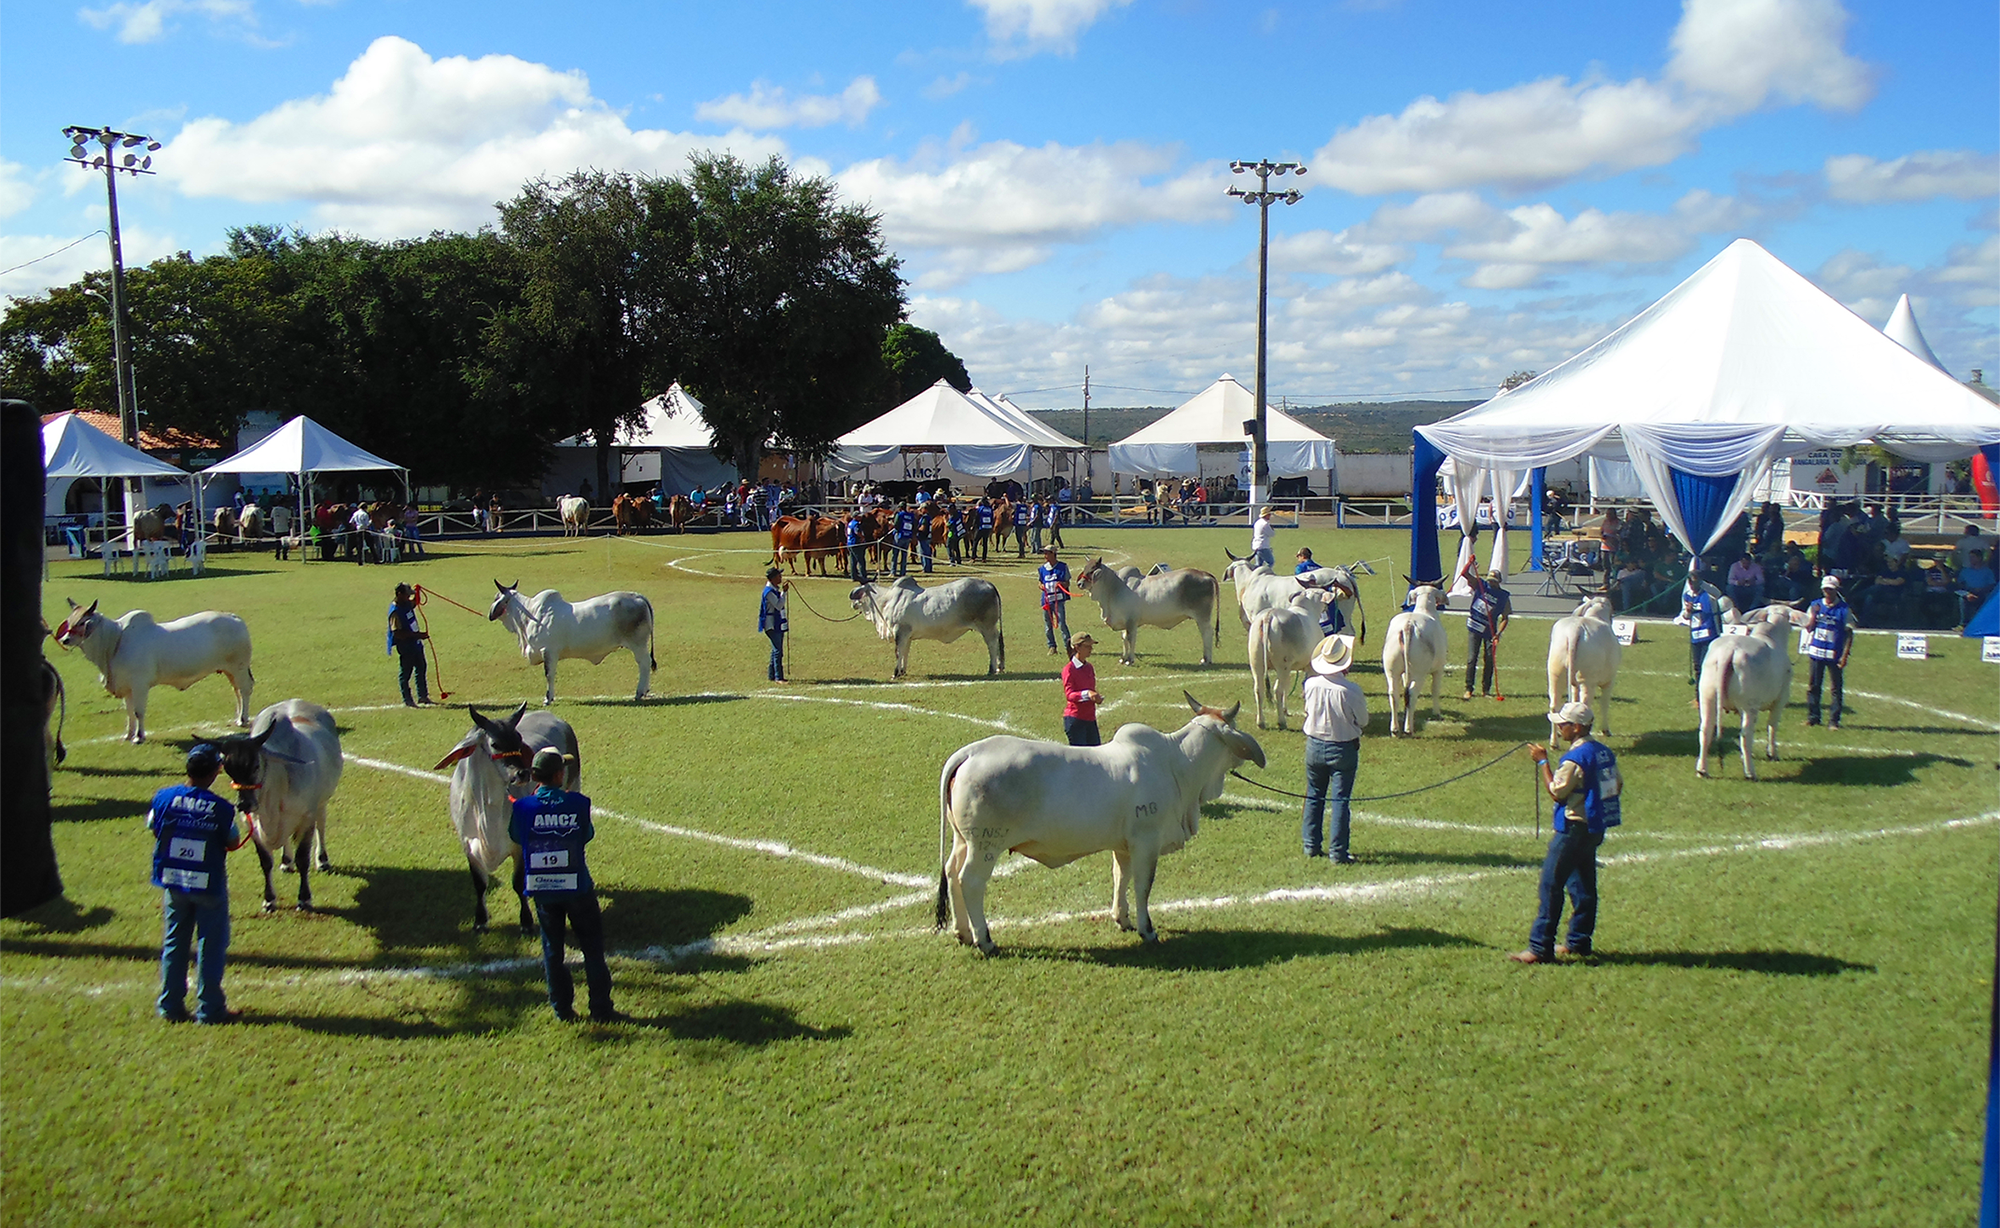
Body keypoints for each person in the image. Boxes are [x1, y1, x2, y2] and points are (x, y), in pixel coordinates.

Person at [510, 748, 616, 1023]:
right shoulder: (579, 803)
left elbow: (516, 835)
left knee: (552, 950)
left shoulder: (522, 807)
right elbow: (586, 834)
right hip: (577, 887)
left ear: (535, 776)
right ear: (559, 775)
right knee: (592, 948)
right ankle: (601, 1008)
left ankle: (562, 1009)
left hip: (543, 889)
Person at [1512, 701, 1622, 965]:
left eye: (1563, 724)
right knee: (1583, 885)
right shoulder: (1604, 752)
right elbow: (1617, 785)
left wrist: (1543, 762)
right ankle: (1579, 941)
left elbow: (1557, 792)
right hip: (1594, 827)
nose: (1559, 728)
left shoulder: (1575, 759)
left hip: (1573, 828)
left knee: (1551, 885)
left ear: (1577, 727)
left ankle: (1540, 947)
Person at [150, 744, 252, 1023]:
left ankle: (170, 1005)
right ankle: (210, 1008)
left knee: (174, 940)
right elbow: (233, 841)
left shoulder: (163, 797)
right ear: (216, 771)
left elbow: (154, 827)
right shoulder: (221, 808)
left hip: (173, 879)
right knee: (211, 943)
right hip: (207, 883)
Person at [1300, 634, 1366, 864]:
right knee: (1340, 800)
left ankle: (1311, 845)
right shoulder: (1351, 690)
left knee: (1314, 794)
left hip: (1314, 745)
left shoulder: (1310, 684)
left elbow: (1308, 710)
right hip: (1343, 747)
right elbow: (1363, 720)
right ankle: (1338, 852)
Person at [1803, 575, 1856, 728]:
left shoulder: (1844, 609)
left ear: (1836, 590)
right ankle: (1813, 717)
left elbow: (1849, 633)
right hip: (1816, 652)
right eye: (1826, 589)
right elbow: (1809, 628)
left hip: (1834, 654)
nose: (1828, 592)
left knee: (1836, 688)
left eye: (1831, 590)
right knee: (1814, 686)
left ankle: (1834, 720)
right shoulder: (1815, 605)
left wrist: (1845, 655)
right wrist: (1814, 615)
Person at [1461, 565, 1511, 701]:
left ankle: (1486, 690)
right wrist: (1470, 564)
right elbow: (1464, 573)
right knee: (1472, 658)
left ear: (1499, 582)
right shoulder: (1481, 585)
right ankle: (1469, 688)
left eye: (1494, 581)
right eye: (1490, 581)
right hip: (1475, 627)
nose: (1491, 584)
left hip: (1490, 631)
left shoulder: (1503, 597)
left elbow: (1505, 618)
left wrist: (1498, 633)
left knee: (1489, 659)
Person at [386, 583, 431, 707]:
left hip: (416, 644)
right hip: (406, 646)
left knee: (421, 667)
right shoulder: (395, 612)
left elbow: (415, 602)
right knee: (406, 673)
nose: (408, 597)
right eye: (407, 595)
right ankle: (407, 699)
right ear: (399, 594)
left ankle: (423, 696)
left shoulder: (406, 604)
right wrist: (418, 635)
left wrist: (417, 592)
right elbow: (398, 633)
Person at [1060, 635, 1103, 746]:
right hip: (1075, 719)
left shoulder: (1089, 667)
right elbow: (1070, 694)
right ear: (1077, 648)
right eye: (1087, 646)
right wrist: (1087, 694)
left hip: (1090, 719)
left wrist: (1096, 698)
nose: (1091, 649)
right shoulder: (1069, 669)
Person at [1681, 573, 1722, 687]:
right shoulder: (1687, 596)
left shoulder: (1708, 594)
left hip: (1710, 634)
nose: (1693, 585)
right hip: (1695, 635)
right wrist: (1688, 611)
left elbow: (1718, 593)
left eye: (1695, 582)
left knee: (1708, 664)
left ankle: (1711, 688)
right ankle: (1699, 693)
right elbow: (1685, 616)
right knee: (1697, 666)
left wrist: (1702, 583)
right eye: (1691, 583)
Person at [757, 566, 790, 682]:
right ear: (773, 578)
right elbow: (779, 605)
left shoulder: (773, 590)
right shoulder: (769, 592)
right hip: (771, 624)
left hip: (776, 622)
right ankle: (778, 677)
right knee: (778, 651)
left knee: (775, 650)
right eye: (778, 576)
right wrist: (784, 592)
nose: (780, 577)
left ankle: (771, 675)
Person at [1038, 546, 1072, 656]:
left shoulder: (1062, 567)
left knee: (1062, 624)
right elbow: (1040, 582)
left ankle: (1068, 646)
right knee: (1048, 625)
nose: (1045, 556)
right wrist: (1041, 586)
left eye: (1047, 553)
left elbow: (1067, 582)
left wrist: (1061, 584)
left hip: (1058, 600)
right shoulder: (1042, 569)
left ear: (1053, 554)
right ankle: (1051, 646)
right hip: (1046, 601)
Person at [846, 514, 869, 583]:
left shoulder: (850, 523)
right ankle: (863, 576)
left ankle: (854, 576)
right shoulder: (856, 524)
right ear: (855, 517)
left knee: (853, 560)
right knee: (861, 560)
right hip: (856, 543)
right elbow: (857, 532)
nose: (860, 517)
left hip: (850, 543)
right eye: (859, 516)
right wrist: (862, 537)